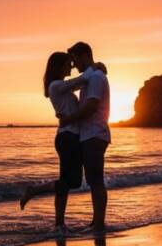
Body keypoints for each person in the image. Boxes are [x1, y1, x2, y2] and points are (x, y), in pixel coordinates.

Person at [20, 52, 106, 233]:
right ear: (59, 66)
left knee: (66, 182)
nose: (71, 67)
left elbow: (81, 83)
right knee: (71, 182)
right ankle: (34, 190)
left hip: (70, 137)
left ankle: (59, 224)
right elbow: (80, 80)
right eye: (68, 64)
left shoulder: (61, 87)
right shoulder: (56, 85)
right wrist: (95, 66)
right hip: (67, 138)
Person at [59, 41, 111, 233]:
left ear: (84, 56)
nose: (74, 66)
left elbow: (91, 106)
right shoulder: (91, 77)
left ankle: (99, 223)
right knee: (93, 180)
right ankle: (96, 221)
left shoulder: (96, 78)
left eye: (75, 60)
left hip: (94, 133)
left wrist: (68, 119)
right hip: (91, 134)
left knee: (95, 180)